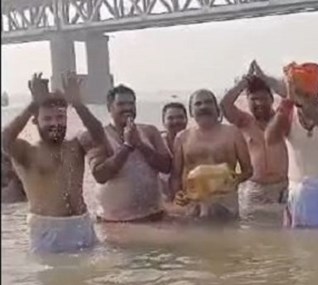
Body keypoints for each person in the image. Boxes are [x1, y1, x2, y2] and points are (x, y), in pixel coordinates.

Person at [1, 73, 105, 253]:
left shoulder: (76, 145)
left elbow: (99, 135)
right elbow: (4, 139)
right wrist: (34, 103)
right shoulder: (27, 152)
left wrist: (78, 104)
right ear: (35, 121)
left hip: (81, 224)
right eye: (47, 119)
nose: (55, 124)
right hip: (47, 230)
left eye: (60, 117)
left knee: (90, 279)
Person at [264, 62, 318, 228]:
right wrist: (287, 102)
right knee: (301, 247)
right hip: (299, 193)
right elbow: (270, 139)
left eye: (305, 92)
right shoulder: (287, 113)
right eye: (297, 90)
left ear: (316, 91)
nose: (301, 96)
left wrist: (303, 103)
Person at [81, 85, 172, 223]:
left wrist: (140, 145)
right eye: (121, 104)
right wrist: (127, 146)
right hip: (115, 223)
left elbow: (167, 166)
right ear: (109, 108)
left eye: (131, 103)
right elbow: (100, 175)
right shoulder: (97, 136)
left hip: (154, 217)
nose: (127, 108)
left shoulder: (149, 131)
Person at [171, 89, 253, 220]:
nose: (204, 106)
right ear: (191, 111)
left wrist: (231, 181)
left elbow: (248, 170)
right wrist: (177, 194)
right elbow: (175, 175)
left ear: (217, 108)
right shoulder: (182, 137)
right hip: (193, 206)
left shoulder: (233, 133)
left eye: (208, 102)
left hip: (225, 204)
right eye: (198, 104)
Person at [220, 62, 288, 210]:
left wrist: (265, 78)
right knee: (252, 230)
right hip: (254, 188)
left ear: (271, 99)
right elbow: (225, 104)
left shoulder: (282, 118)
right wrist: (243, 83)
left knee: (284, 230)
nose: (259, 103)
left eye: (263, 98)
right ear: (247, 100)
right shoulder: (244, 121)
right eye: (254, 99)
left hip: (282, 186)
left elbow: (291, 96)